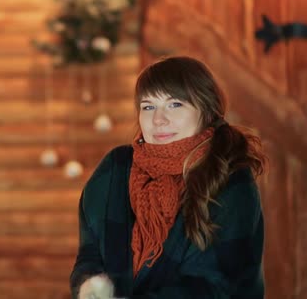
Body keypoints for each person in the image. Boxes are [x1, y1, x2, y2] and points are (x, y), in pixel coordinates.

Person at [70, 56, 266, 299]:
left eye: (175, 104)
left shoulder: (230, 178)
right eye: (148, 106)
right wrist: (90, 287)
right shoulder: (115, 169)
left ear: (205, 109)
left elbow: (214, 286)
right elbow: (89, 255)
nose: (158, 120)